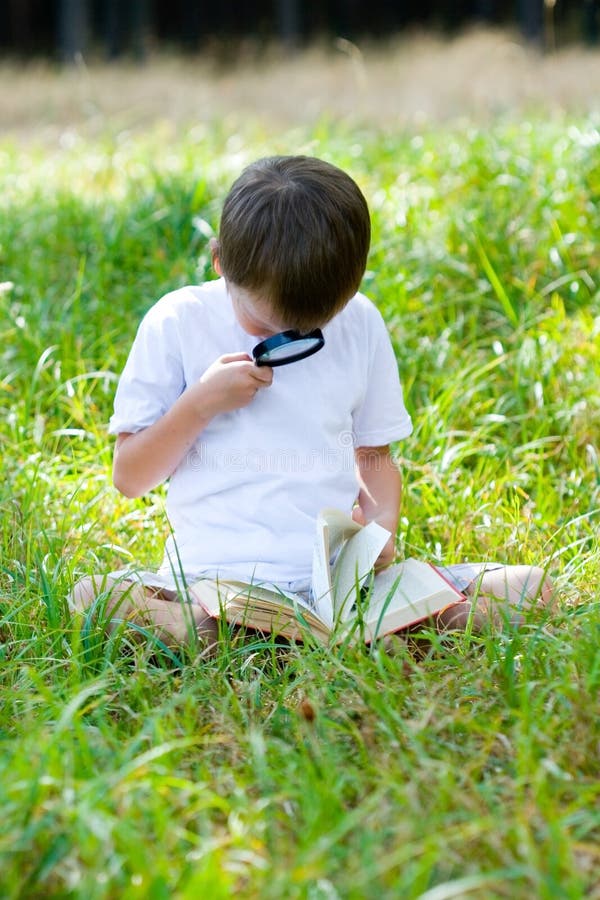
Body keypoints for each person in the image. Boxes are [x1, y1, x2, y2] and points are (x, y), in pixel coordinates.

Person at [70, 155, 553, 651]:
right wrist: (200, 403)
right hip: (215, 583)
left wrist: (382, 529)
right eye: (266, 325)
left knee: (528, 587)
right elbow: (130, 476)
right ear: (220, 264)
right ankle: (345, 640)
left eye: (312, 328)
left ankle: (284, 643)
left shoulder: (360, 322)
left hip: (338, 587)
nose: (289, 342)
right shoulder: (178, 323)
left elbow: (374, 456)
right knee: (92, 597)